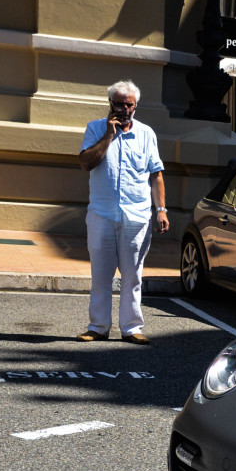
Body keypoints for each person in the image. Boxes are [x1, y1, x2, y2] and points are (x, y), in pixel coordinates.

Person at [76, 79, 166, 345]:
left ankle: (132, 328)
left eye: (129, 105)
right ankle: (98, 327)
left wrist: (161, 210)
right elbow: (85, 163)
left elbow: (156, 175)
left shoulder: (147, 134)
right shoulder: (95, 129)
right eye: (120, 105)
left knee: (133, 275)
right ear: (110, 105)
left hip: (137, 216)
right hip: (102, 214)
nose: (125, 110)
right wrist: (108, 136)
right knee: (100, 275)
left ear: (135, 106)